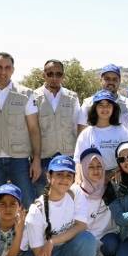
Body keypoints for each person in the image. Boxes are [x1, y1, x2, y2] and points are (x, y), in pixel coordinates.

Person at [21, 155, 100, 256]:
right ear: (48, 176)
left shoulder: (75, 193)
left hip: (60, 251)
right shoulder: (36, 211)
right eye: (59, 174)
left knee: (88, 239)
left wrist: (52, 241)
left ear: (73, 179)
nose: (64, 179)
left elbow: (81, 225)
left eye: (68, 175)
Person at [0, 52, 42, 206]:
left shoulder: (25, 94)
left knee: (27, 203)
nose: (3, 71)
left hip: (19, 159)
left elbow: (34, 128)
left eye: (7, 67)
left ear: (13, 69)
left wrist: (36, 159)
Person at [74, 148, 125, 256]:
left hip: (106, 238)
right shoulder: (75, 192)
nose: (96, 170)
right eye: (91, 167)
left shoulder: (110, 188)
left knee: (111, 244)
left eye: (99, 166)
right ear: (83, 168)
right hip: (86, 243)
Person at [33, 59, 81, 193]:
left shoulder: (72, 98)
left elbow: (77, 129)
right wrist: (34, 159)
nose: (54, 78)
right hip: (43, 159)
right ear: (43, 75)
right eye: (50, 74)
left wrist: (78, 159)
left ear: (63, 76)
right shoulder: (33, 97)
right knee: (43, 197)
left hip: (68, 157)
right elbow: (31, 130)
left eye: (58, 74)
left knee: (70, 196)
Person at [73, 90, 128, 172]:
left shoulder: (122, 130)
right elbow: (78, 161)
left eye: (108, 105)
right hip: (93, 175)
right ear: (95, 108)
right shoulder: (86, 133)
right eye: (101, 105)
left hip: (117, 175)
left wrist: (113, 173)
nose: (105, 108)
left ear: (113, 108)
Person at [78, 64, 128, 130]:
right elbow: (81, 130)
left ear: (119, 81)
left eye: (115, 79)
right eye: (107, 79)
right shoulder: (88, 104)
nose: (111, 82)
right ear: (101, 80)